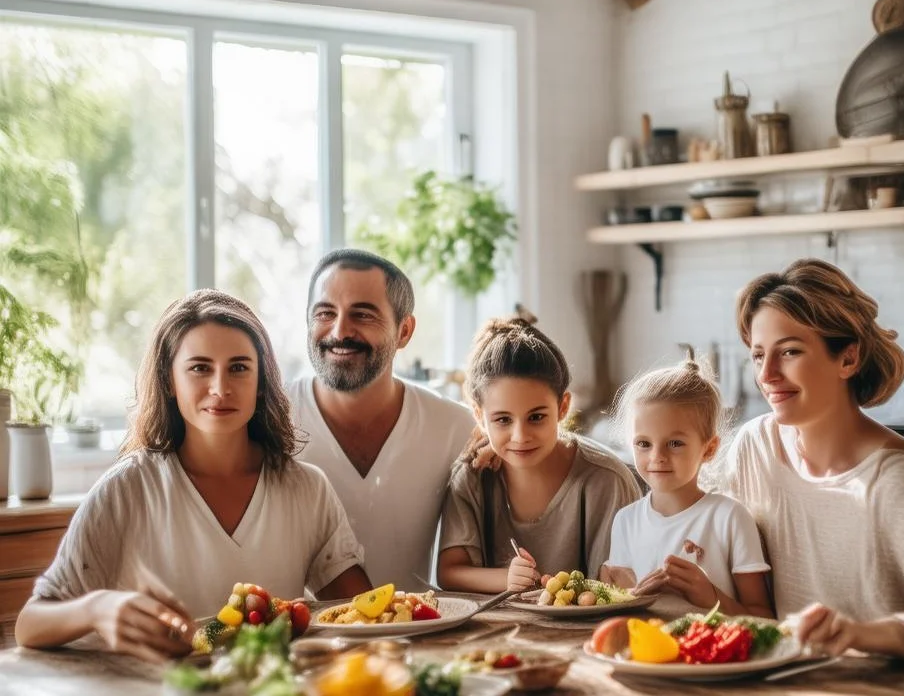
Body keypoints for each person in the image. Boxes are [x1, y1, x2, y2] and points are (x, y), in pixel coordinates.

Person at [15, 290, 369, 662]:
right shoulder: (128, 489)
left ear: (262, 381)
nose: (220, 388)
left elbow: (365, 614)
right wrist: (96, 608)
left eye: (239, 367)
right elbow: (30, 624)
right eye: (200, 368)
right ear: (169, 380)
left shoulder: (308, 489)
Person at [726, 257, 904, 667]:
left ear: (848, 359)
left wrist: (865, 635)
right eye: (758, 354)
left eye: (790, 352)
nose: (766, 374)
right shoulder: (755, 448)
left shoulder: (903, 482)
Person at [287, 249, 475, 587]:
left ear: (404, 331)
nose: (339, 331)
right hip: (297, 636)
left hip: (420, 633)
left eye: (362, 315)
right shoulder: (267, 420)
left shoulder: (456, 428)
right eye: (325, 313)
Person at [437, 313, 641, 593]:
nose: (520, 437)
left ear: (563, 407)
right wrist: (506, 579)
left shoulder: (607, 481)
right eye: (503, 420)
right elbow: (449, 573)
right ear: (479, 416)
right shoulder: (472, 478)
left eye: (536, 417)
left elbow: (623, 587)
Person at [600, 360, 773, 618]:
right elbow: (619, 611)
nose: (657, 456)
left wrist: (711, 597)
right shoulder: (625, 521)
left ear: (709, 448)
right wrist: (629, 596)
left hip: (712, 654)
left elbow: (765, 620)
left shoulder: (730, 518)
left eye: (675, 443)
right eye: (644, 444)